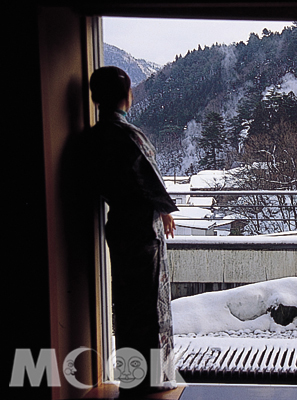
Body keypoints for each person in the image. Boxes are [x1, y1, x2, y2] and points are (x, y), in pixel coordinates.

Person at [87, 66, 179, 395]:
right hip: (142, 227)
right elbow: (148, 176)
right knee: (149, 304)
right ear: (127, 96)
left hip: (118, 224)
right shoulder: (127, 134)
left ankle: (131, 378)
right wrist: (164, 208)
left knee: (125, 306)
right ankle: (153, 380)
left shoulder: (91, 136)